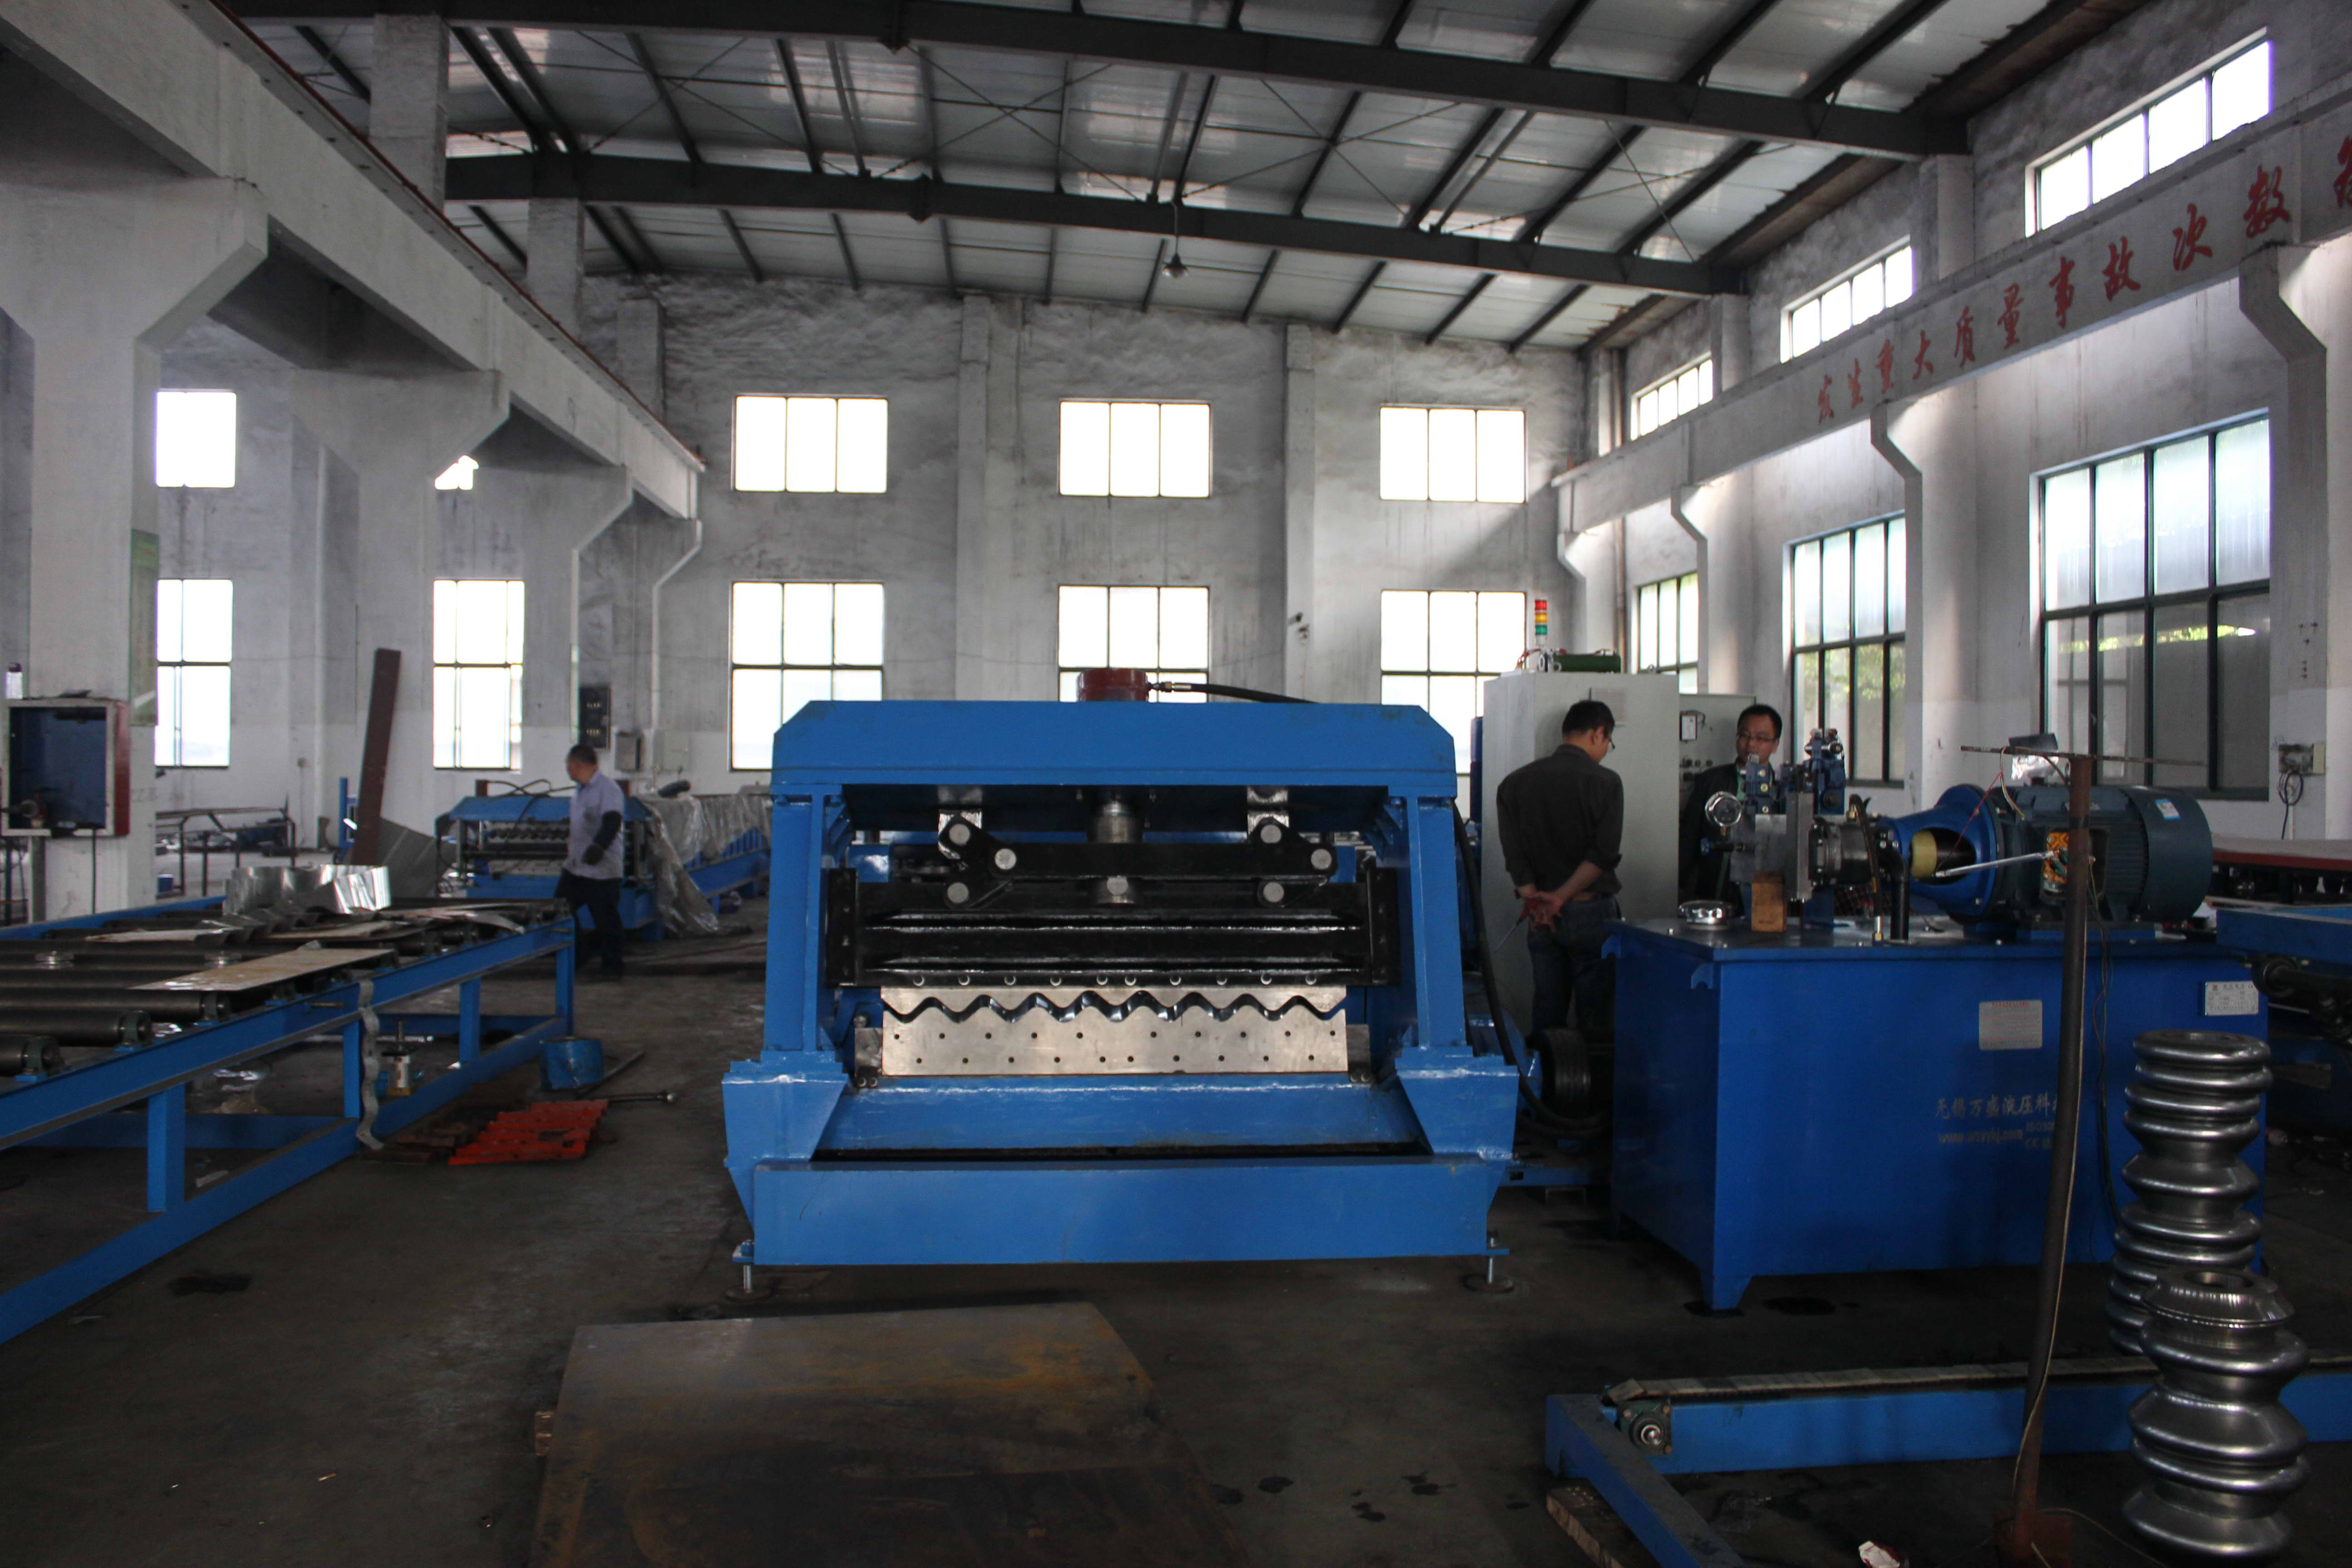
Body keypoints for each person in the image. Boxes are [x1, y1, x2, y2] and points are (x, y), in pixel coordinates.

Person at [1494, 699, 1623, 1041]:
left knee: (1548, 1008)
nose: (1606, 750)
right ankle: (1592, 1076)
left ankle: (1546, 1074)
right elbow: (1603, 855)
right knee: (1596, 1014)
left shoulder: (1513, 783)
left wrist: (1537, 900)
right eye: (1609, 742)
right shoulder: (1606, 782)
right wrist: (1560, 898)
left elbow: (1514, 855)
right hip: (1589, 910)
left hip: (1540, 916)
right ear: (1598, 734)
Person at [1678, 703, 1782, 903]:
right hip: (1716, 887)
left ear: (1775, 744)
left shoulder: (1783, 788)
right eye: (1744, 735)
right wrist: (1679, 886)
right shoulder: (1711, 781)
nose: (1751, 744)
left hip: (1767, 890)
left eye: (1761, 739)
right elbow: (1689, 838)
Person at [559, 743, 627, 980]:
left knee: (606, 920)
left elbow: (613, 821)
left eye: (568, 764)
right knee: (559, 909)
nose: (567, 769)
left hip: (602, 870)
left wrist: (599, 847)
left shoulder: (608, 789)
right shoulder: (580, 791)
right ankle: (579, 955)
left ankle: (613, 967)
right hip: (576, 867)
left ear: (577, 765)